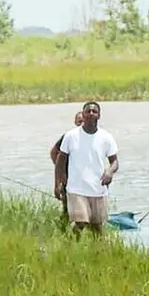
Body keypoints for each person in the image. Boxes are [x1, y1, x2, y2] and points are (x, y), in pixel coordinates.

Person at [54, 101, 119, 235]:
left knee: (97, 227)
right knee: (81, 222)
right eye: (87, 111)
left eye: (94, 111)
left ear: (99, 116)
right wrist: (61, 181)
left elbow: (115, 162)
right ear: (83, 115)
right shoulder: (71, 136)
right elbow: (60, 159)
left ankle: (100, 252)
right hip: (76, 189)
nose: (91, 114)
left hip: (98, 188)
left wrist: (109, 171)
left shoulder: (106, 137)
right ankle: (70, 245)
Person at [50, 110, 84, 222]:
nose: (81, 124)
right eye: (79, 121)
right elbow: (54, 153)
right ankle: (63, 233)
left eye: (83, 121)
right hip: (69, 181)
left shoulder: (95, 136)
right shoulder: (69, 137)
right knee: (67, 211)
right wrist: (60, 177)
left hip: (87, 182)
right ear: (75, 122)